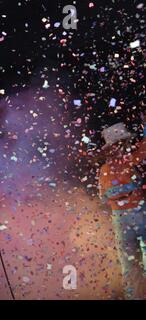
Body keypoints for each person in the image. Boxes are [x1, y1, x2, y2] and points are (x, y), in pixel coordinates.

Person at [97, 119, 145, 299]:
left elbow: (103, 198)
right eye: (124, 142)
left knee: (130, 265)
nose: (126, 145)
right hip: (138, 214)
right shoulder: (131, 159)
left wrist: (117, 195)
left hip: (121, 218)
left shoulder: (104, 170)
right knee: (132, 264)